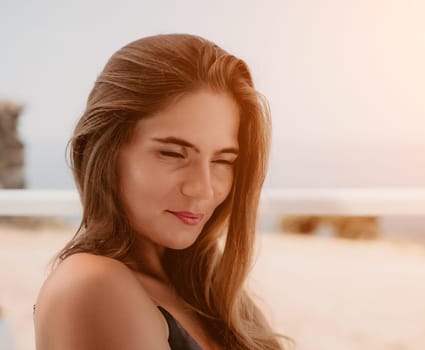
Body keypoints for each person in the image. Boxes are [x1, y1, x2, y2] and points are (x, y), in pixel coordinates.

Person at [34, 33, 290, 350]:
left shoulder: (203, 287)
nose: (203, 188)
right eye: (172, 154)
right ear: (104, 152)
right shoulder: (94, 285)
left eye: (223, 160)